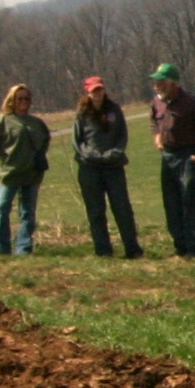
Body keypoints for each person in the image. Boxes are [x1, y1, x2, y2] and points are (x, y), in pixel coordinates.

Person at [148, 62, 195, 259]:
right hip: (168, 156)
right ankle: (180, 248)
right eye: (155, 82)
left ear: (172, 83)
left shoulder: (191, 103)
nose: (156, 86)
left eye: (160, 82)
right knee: (171, 203)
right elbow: (154, 120)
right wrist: (157, 136)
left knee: (190, 203)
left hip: (188, 156)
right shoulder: (157, 102)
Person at [0, 84, 52, 257]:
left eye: (26, 99)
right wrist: (0, 153)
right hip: (10, 172)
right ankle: (2, 246)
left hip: (32, 174)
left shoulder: (36, 123)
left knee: (27, 212)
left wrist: (39, 156)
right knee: (2, 208)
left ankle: (23, 247)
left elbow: (46, 138)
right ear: (12, 101)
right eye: (19, 98)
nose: (23, 102)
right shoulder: (3, 120)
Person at [72, 76, 142, 259]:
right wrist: (92, 155)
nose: (98, 93)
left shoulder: (114, 110)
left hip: (113, 167)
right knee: (95, 210)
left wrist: (114, 153)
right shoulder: (82, 112)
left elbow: (122, 136)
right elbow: (77, 141)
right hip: (90, 168)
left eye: (100, 89)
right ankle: (103, 251)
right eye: (94, 90)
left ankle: (133, 249)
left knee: (122, 208)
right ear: (87, 92)